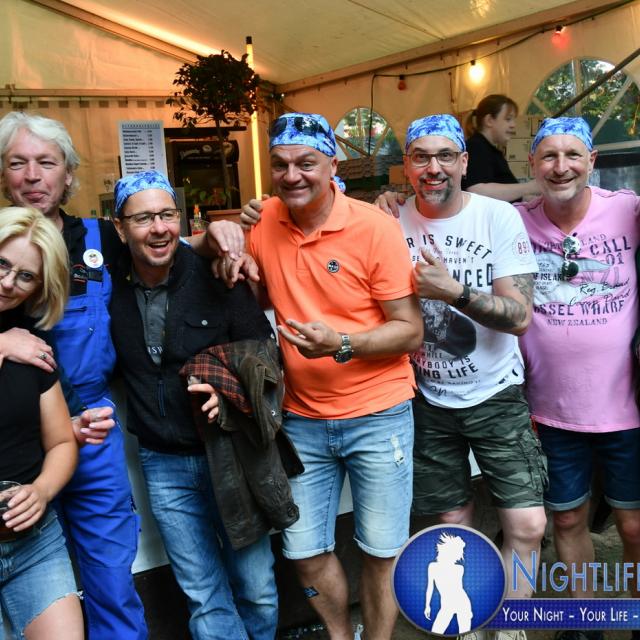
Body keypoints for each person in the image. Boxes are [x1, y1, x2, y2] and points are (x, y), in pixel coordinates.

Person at [230, 112, 423, 640]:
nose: (292, 175)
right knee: (303, 551)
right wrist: (230, 244)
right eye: (280, 164)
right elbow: (246, 286)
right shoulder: (263, 221)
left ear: (332, 165)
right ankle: (341, 634)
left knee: (382, 550)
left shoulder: (374, 227)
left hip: (378, 413)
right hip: (301, 419)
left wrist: (342, 343)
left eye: (306, 163)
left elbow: (410, 330)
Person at [109, 170, 282, 640]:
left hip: (231, 453)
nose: (159, 228)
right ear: (120, 228)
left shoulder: (216, 274)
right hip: (162, 463)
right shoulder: (109, 285)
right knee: (203, 595)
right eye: (143, 218)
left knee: (257, 588)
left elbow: (267, 360)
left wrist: (226, 390)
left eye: (167, 215)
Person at [0, 112, 148, 640]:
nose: (32, 175)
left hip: (90, 425)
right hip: (13, 437)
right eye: (18, 163)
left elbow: (166, 253)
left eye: (46, 162)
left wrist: (223, 236)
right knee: (31, 579)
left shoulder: (101, 237)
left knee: (110, 577)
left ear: (68, 174)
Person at [517, 116, 640, 640]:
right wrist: (391, 199)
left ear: (593, 161)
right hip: (551, 407)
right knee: (566, 520)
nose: (560, 166)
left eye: (573, 155)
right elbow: (463, 197)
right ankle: (585, 619)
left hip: (626, 406)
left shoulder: (627, 209)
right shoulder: (514, 220)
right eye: (548, 156)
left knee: (633, 524)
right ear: (532, 164)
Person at [0, 206, 82, 639]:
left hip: (33, 542)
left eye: (25, 276)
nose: (8, 282)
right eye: (1, 263)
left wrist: (42, 490)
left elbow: (62, 443)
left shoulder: (30, 345)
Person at [463, 94, 540, 202]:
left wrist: (529, 199)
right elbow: (476, 191)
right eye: (508, 119)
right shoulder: (476, 147)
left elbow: (505, 195)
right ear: (489, 120)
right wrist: (530, 187)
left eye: (513, 120)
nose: (513, 125)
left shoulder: (490, 150)